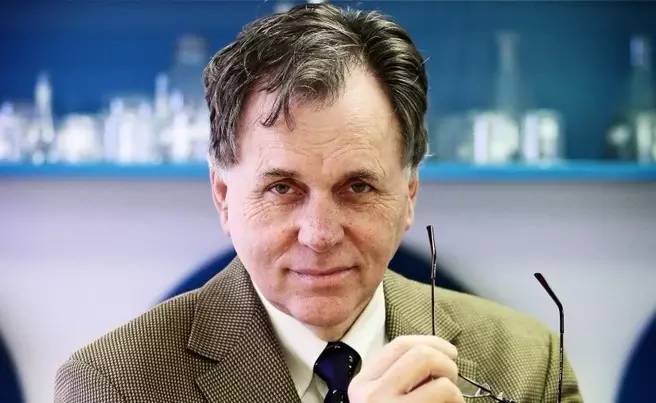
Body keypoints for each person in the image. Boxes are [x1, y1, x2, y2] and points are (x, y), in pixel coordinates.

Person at [55, 4, 582, 402]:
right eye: (283, 189)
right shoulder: (112, 384)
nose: (321, 235)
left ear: (409, 196)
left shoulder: (526, 363)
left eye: (359, 187)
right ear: (223, 196)